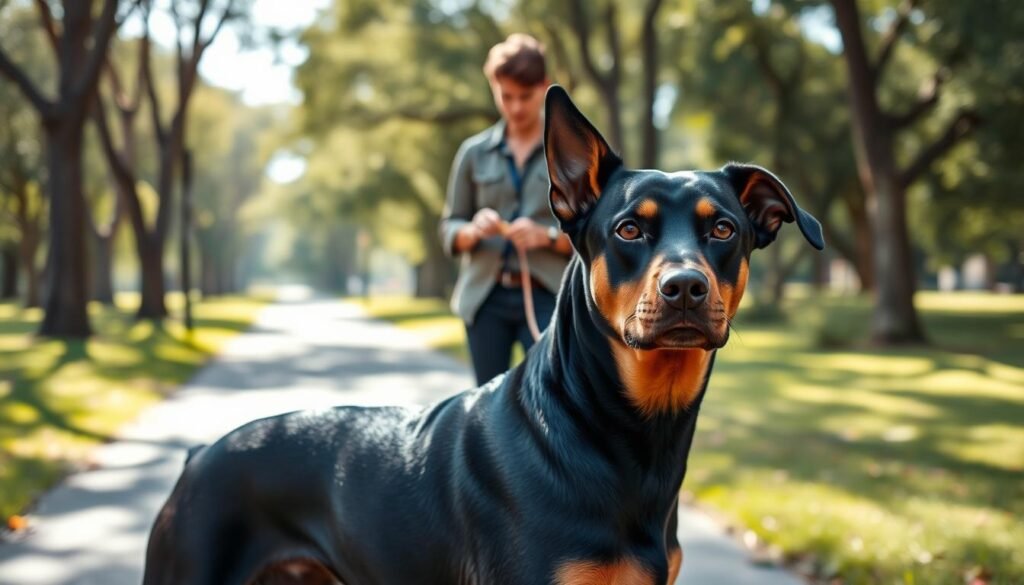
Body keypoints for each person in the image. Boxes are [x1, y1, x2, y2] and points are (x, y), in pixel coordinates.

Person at [439, 33, 573, 386]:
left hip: (549, 295)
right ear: (493, 87)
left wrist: (545, 236)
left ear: (545, 86)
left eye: (525, 97)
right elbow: (450, 226)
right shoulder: (473, 153)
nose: (515, 107)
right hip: (485, 297)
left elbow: (596, 232)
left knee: (552, 394)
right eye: (506, 96)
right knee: (487, 405)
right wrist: (471, 231)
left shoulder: (570, 153)